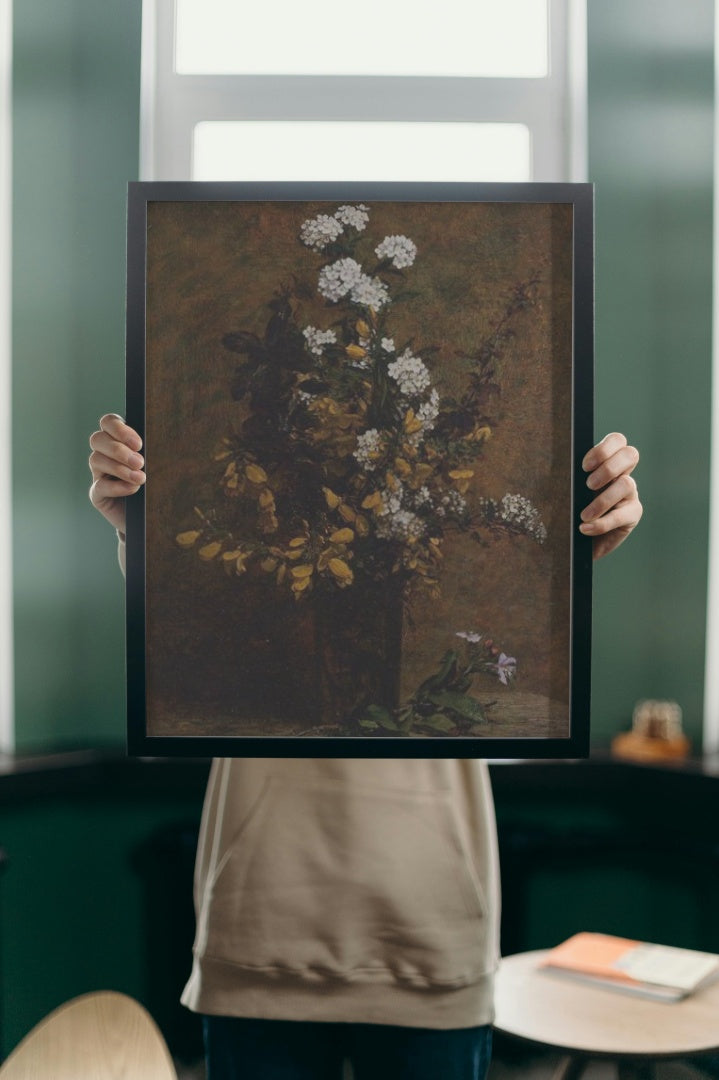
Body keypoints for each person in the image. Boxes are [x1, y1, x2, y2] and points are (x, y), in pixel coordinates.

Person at [89, 417, 642, 1080]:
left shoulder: (458, 502)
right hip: (262, 928)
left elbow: (513, 635)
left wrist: (570, 552)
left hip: (433, 931)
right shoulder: (251, 500)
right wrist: (137, 522)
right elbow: (185, 627)